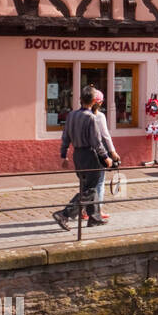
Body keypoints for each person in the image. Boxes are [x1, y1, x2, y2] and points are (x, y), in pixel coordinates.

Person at [52, 86, 112, 230]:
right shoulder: (90, 117)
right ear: (92, 101)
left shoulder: (71, 115)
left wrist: (63, 155)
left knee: (88, 186)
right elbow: (96, 141)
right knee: (90, 189)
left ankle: (94, 217)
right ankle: (64, 214)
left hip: (77, 155)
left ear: (80, 100)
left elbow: (65, 137)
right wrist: (106, 157)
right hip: (89, 155)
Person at [90, 90, 120, 222]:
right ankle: (98, 210)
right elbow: (105, 135)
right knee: (100, 183)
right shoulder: (100, 116)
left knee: (88, 184)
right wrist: (112, 152)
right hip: (99, 152)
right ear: (100, 102)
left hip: (85, 153)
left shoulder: (82, 114)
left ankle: (86, 210)